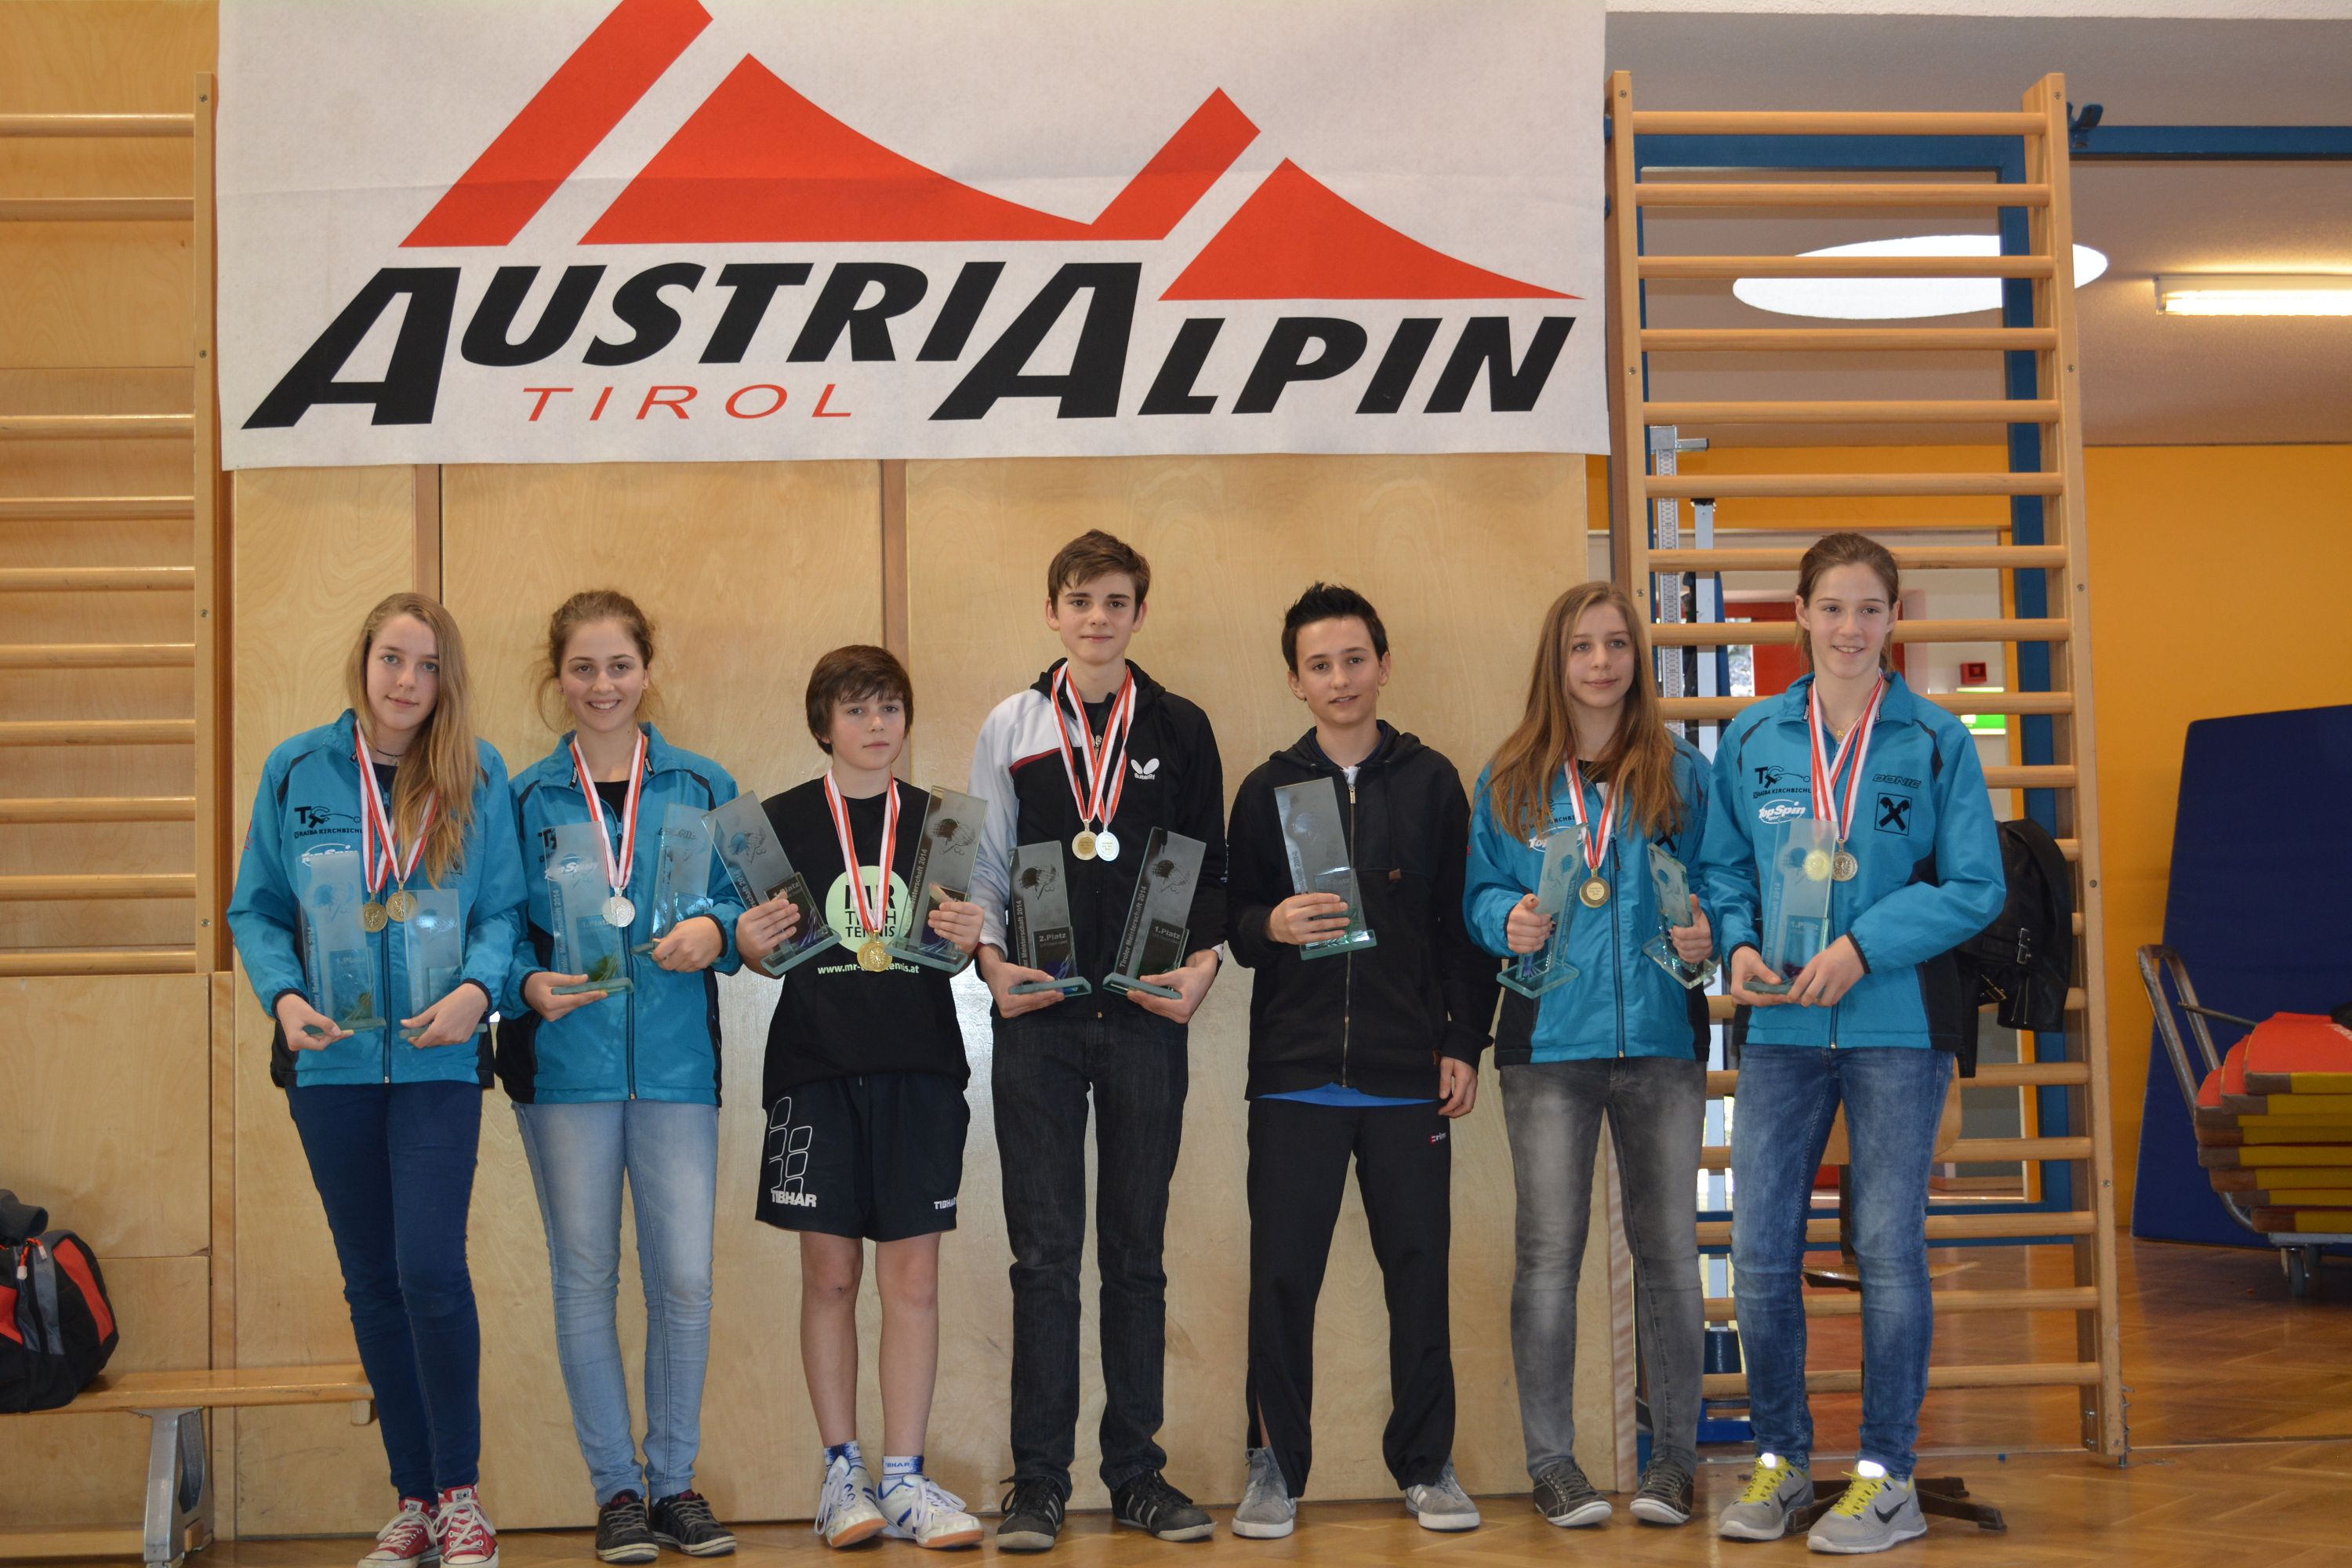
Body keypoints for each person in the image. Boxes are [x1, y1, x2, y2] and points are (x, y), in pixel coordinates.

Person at [1697, 532, 2004, 1554]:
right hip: (1780, 1026)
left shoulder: (1935, 740)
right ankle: (1782, 1460)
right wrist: (1739, 943)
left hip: (1897, 1030)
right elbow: (1725, 868)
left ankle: (1888, 1477)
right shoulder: (1753, 736)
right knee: (1758, 1251)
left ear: (1894, 618)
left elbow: (1977, 886)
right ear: (1800, 613)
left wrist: (1865, 946)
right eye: (1831, 607)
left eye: (1870, 608)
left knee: (1886, 1247)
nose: (1850, 628)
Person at [226, 593, 524, 1568]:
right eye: (393, 657)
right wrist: (281, 996)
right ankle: (416, 1498)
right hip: (331, 1063)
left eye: (428, 664)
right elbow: (256, 908)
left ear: (447, 679)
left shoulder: (478, 771)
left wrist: (479, 989)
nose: (407, 680)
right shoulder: (296, 768)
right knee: (373, 1283)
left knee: (430, 1267)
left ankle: (462, 1496)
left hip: (439, 1057)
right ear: (363, 660)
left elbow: (503, 909)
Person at [966, 530, 1228, 1552]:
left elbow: (1208, 866)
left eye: (1115, 601)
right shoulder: (1012, 723)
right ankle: (1037, 1481)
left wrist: (1201, 969)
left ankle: (1136, 1475)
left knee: (1136, 1256)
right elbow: (987, 862)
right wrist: (992, 966)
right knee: (1042, 1258)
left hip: (1146, 1019)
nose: (1097, 618)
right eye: (1079, 600)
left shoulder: (1182, 726)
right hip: (1038, 1018)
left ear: (1139, 613)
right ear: (1053, 611)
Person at [1221, 584, 1496, 1540]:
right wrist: (1271, 922)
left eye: (1353, 658)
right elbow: (1232, 922)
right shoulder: (1266, 787)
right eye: (1319, 664)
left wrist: (1462, 1041)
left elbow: (1463, 930)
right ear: (1295, 680)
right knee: (1281, 1277)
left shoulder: (1432, 781)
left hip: (1404, 1074)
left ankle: (1427, 1465)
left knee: (1419, 1271)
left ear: (1382, 664)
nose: (1339, 678)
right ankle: (1273, 1468)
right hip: (1293, 1073)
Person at [1462, 580, 1716, 1531]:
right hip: (1547, 1045)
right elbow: (1477, 892)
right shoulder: (1510, 777)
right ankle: (1553, 1464)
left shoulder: (1685, 773)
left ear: (1637, 657)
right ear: (1556, 661)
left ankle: (1674, 1462)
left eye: (1616, 643)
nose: (1601, 662)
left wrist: (1712, 929)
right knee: (1547, 1258)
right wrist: (1506, 917)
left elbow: (1723, 882)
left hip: (1663, 1039)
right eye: (1582, 646)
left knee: (1672, 1257)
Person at [499, 590, 745, 1562]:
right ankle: (616, 1492)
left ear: (647, 670)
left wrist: (718, 928)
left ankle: (674, 1482)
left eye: (619, 665)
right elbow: (491, 923)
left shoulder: (707, 782)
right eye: (583, 667)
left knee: (684, 1279)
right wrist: (523, 981)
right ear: (557, 676)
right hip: (566, 1071)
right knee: (585, 1277)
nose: (602, 685)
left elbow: (762, 903)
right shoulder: (522, 797)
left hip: (678, 1068)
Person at [736, 645, 986, 1552]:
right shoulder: (776, 822)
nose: (876, 724)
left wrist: (971, 932)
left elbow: (955, 950)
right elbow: (764, 951)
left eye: (889, 707)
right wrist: (750, 940)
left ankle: (906, 1479)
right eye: (855, 708)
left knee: (912, 1280)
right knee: (831, 1277)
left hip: (921, 1068)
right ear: (823, 724)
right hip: (816, 1069)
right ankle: (842, 1473)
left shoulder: (943, 822)